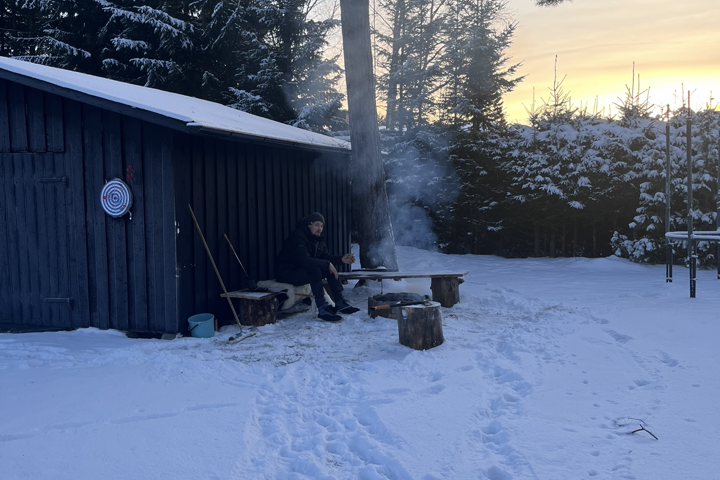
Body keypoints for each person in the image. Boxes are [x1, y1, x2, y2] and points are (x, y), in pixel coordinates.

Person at [274, 212, 360, 322]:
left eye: (321, 226)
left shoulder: (318, 239)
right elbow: (305, 261)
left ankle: (339, 302)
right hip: (286, 272)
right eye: (317, 225)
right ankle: (322, 308)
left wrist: (341, 259)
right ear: (309, 225)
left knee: (328, 269)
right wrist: (327, 264)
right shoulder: (298, 236)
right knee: (315, 270)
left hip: (300, 270)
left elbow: (325, 257)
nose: (320, 228)